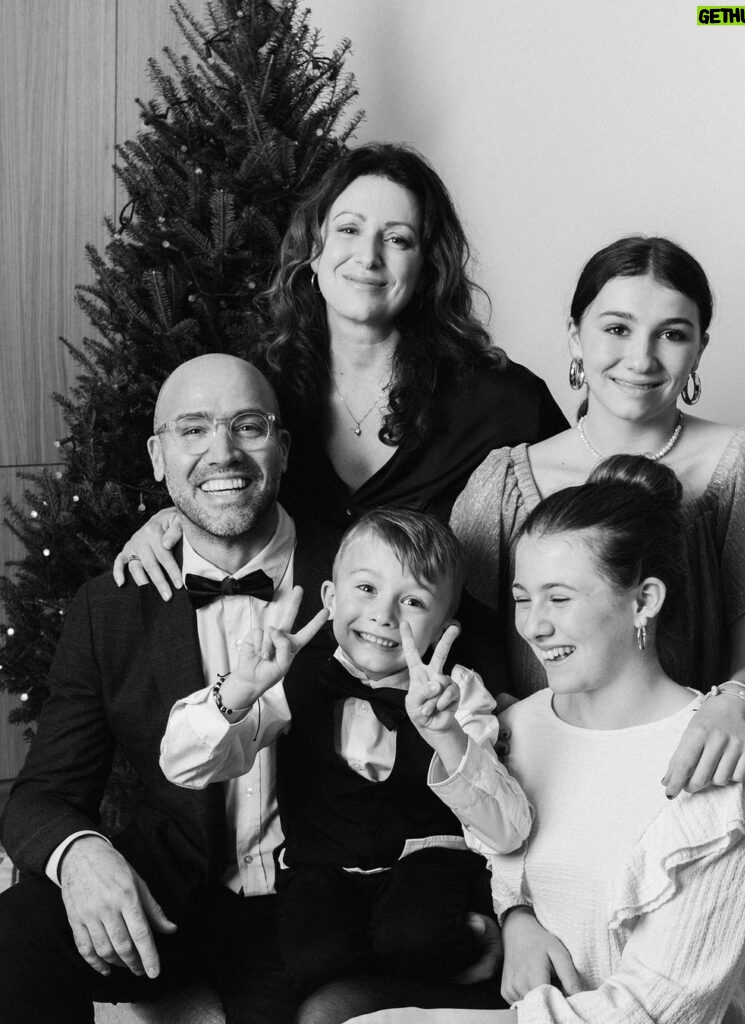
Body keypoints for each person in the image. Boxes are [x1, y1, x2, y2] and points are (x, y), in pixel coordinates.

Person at [346, 456, 745, 1024]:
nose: (533, 625)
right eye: (522, 597)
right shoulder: (521, 726)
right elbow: (507, 853)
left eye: (559, 599)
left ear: (643, 601)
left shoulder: (733, 764)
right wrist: (517, 916)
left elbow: (661, 1010)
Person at [114, 143, 566, 659]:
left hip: (456, 699)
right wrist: (169, 520)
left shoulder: (502, 401)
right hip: (293, 691)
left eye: (397, 239)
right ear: (316, 247)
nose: (368, 257)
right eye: (349, 230)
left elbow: (579, 531)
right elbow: (214, 484)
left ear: (426, 267)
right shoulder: (260, 394)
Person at [0, 354, 331, 1024]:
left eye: (248, 427)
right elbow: (41, 796)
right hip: (171, 897)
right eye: (193, 431)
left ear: (284, 448)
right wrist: (80, 855)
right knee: (16, 932)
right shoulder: (110, 608)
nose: (223, 453)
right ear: (158, 457)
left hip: (314, 910)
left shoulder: (359, 574)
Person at [449, 235, 745, 797]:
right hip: (547, 765)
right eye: (616, 329)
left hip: (700, 755)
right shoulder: (503, 481)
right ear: (575, 337)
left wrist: (735, 706)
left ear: (699, 349)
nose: (642, 359)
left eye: (672, 334)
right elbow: (473, 661)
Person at [160, 509, 530, 998]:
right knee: (313, 958)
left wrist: (446, 734)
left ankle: (452, 956)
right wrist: (241, 691)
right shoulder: (292, 677)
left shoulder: (458, 693)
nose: (384, 615)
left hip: (427, 862)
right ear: (331, 599)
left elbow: (509, 830)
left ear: (443, 629)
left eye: (414, 601)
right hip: (324, 868)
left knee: (418, 937)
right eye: (367, 589)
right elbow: (181, 764)